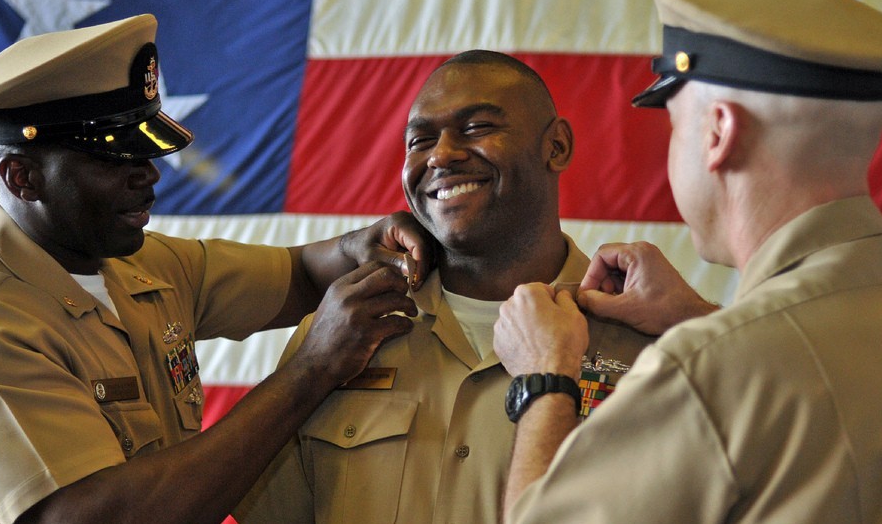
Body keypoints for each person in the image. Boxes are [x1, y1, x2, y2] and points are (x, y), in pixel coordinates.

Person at [0, 14, 437, 524]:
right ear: (23, 177)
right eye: (114, 158)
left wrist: (360, 245)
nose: (149, 175)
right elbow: (97, 517)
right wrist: (312, 370)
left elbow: (300, 276)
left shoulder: (141, 263)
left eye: (145, 152)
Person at [494, 0, 882, 523]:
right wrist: (698, 318)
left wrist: (543, 377)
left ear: (718, 133)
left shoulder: (705, 372)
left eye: (675, 126)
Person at [234, 50, 655, 524]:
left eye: (476, 128)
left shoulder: (648, 342)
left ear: (556, 146)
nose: (440, 155)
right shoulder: (339, 333)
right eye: (420, 140)